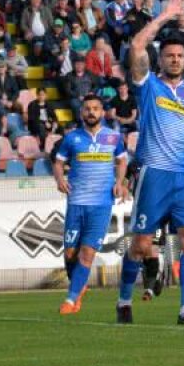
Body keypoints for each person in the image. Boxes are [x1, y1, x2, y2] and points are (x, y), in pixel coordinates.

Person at [116, 0, 184, 325]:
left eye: (179, 56)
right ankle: (123, 300)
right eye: (170, 55)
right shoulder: (149, 85)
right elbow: (136, 44)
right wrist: (164, 16)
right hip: (155, 173)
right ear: (161, 58)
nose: (175, 59)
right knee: (141, 245)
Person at [54, 95, 129, 315]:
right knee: (70, 254)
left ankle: (70, 299)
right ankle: (79, 285)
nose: (91, 112)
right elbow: (58, 163)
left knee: (87, 253)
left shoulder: (113, 138)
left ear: (102, 113)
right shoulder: (72, 138)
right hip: (76, 203)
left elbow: (122, 160)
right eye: (87, 109)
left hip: (101, 204)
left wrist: (120, 182)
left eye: (95, 108)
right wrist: (60, 179)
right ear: (81, 113)